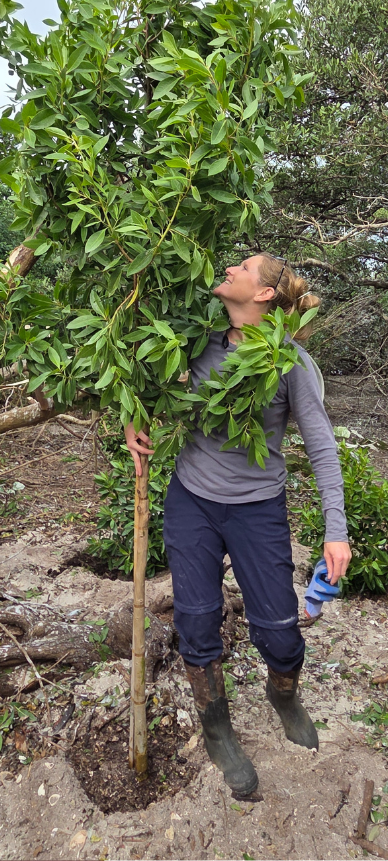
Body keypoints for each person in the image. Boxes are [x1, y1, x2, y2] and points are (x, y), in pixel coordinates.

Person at [125, 254, 350, 799]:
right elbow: (144, 379)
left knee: (279, 632)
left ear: (266, 294)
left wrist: (335, 527)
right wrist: (132, 416)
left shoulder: (288, 362)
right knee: (197, 624)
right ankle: (217, 729)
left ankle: (284, 694)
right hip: (192, 501)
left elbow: (320, 444)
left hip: (258, 507)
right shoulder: (196, 338)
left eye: (245, 266)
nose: (230, 268)